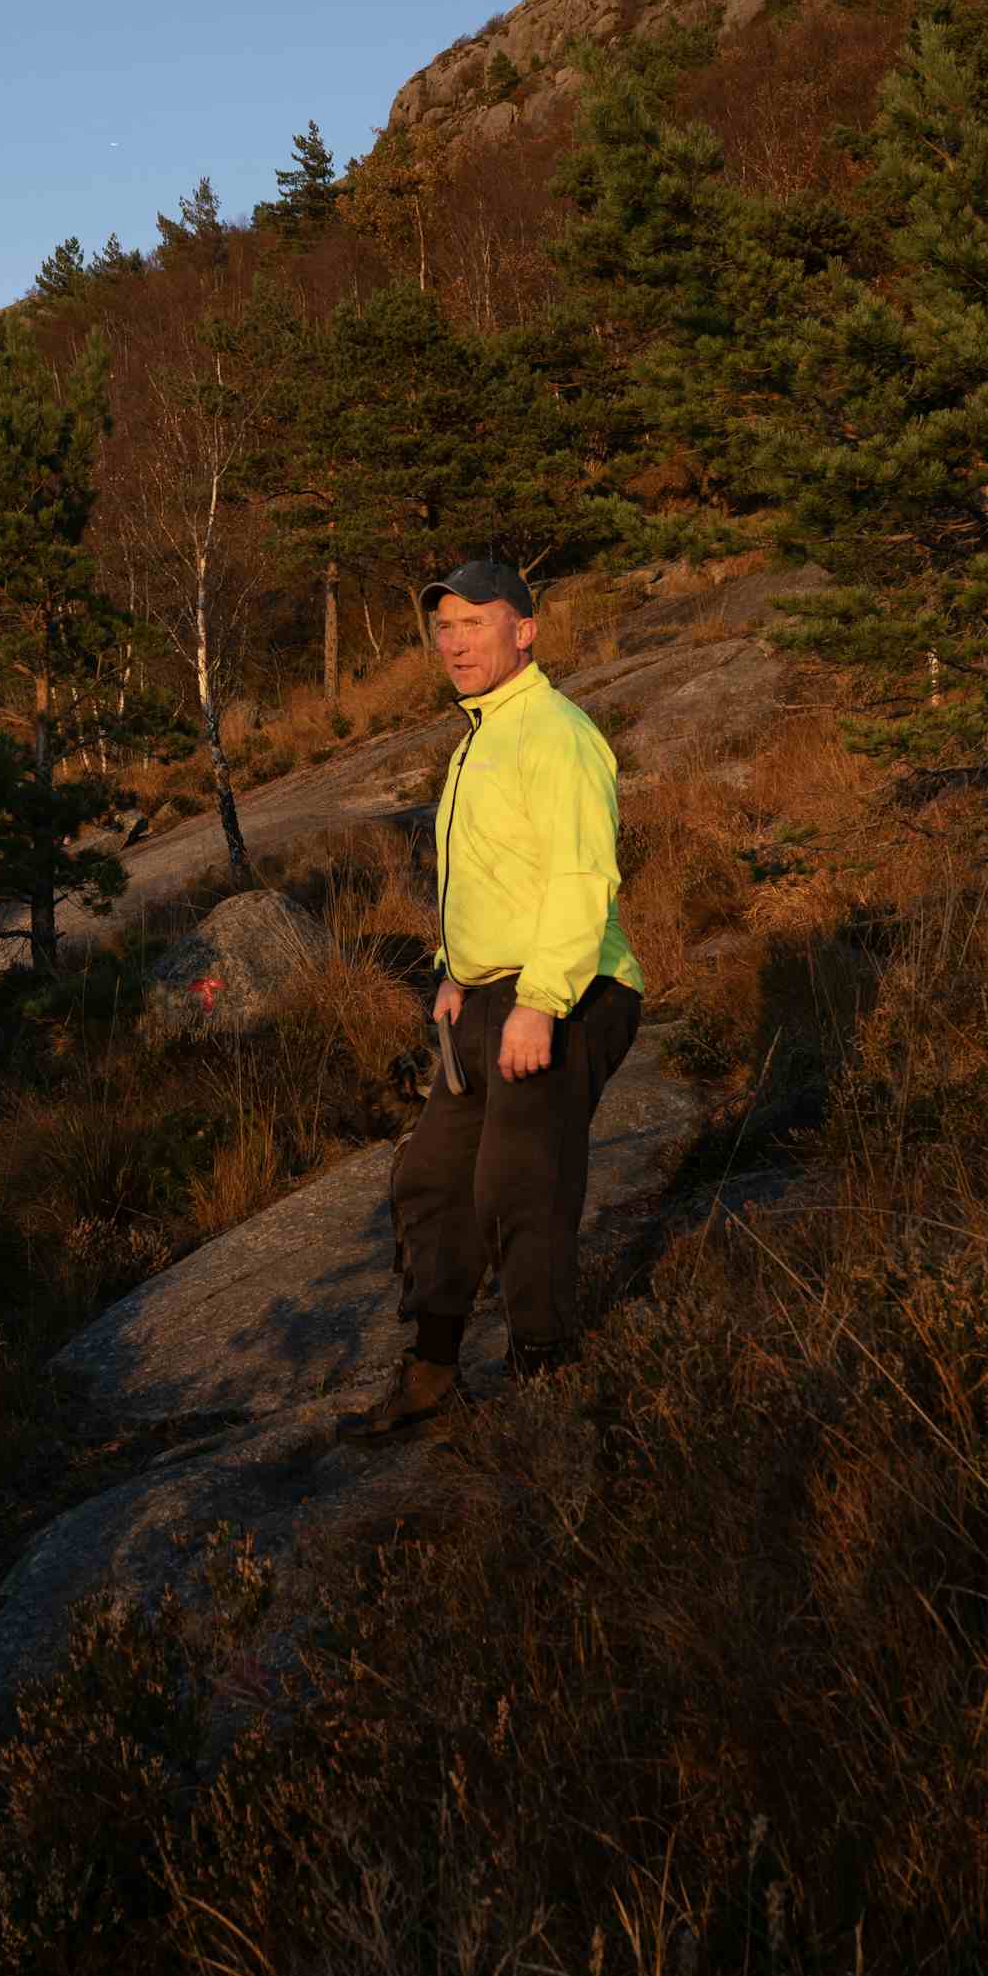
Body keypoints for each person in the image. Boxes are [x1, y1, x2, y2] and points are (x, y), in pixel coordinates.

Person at [342, 557, 645, 1443]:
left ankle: (548, 1382)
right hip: (483, 995)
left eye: (474, 623)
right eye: (443, 627)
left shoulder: (556, 732)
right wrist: (451, 968)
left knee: (522, 1180)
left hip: (569, 989)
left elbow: (580, 877)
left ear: (526, 630)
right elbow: (485, 877)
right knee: (432, 1178)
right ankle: (433, 1373)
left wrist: (541, 1002)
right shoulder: (479, 736)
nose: (454, 642)